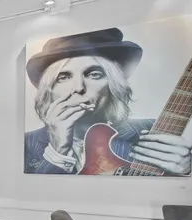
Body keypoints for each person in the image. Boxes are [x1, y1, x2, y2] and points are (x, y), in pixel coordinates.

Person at [24, 28, 192, 175]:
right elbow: (33, 193)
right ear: (49, 89)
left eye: (94, 74)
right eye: (63, 77)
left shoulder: (152, 131)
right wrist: (57, 151)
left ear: (113, 84)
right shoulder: (27, 143)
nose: (78, 88)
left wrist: (185, 170)